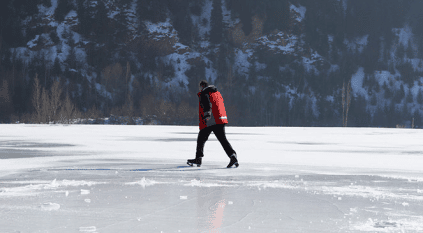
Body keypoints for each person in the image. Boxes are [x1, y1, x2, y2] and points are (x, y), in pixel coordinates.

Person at [187, 80, 239, 168]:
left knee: (201, 139)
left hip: (211, 121)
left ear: (202, 86)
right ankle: (232, 156)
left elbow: (207, 104)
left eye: (200, 87)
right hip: (220, 119)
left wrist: (207, 114)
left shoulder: (204, 93)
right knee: (223, 140)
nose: (199, 89)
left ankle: (198, 159)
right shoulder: (216, 93)